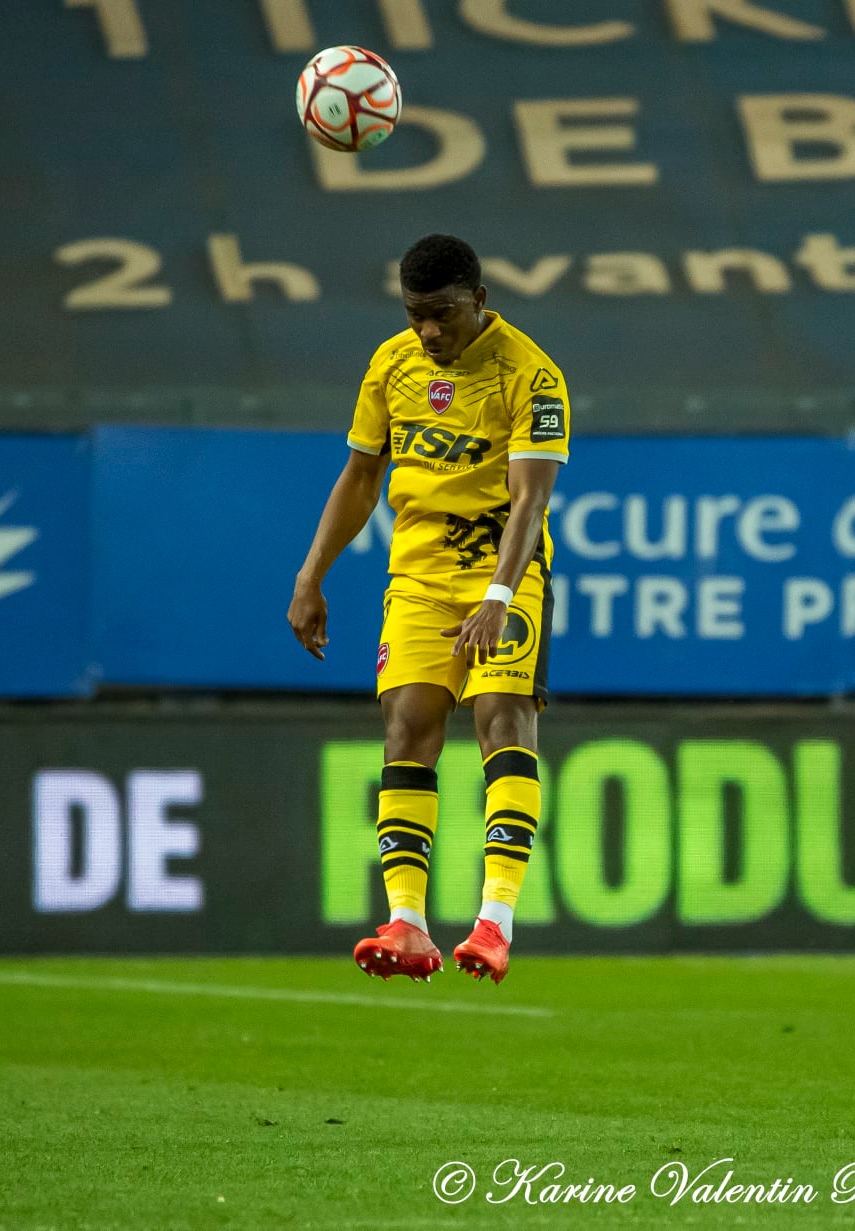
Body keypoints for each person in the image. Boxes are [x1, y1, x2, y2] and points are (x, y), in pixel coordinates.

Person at [288, 234, 570, 986]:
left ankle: (495, 923)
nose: (429, 331)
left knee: (501, 717)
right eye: (416, 315)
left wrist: (498, 598)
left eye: (442, 313)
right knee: (408, 727)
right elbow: (360, 478)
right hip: (418, 573)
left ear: (479, 300)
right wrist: (312, 574)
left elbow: (530, 501)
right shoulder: (392, 364)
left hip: (503, 570)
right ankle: (407, 923)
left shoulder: (532, 375)